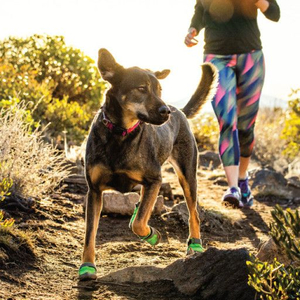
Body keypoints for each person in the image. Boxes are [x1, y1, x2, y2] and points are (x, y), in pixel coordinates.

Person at [185, 0, 280, 208]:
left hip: (251, 58)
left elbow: (274, 13)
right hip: (216, 58)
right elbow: (200, 10)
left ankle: (243, 178)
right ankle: (233, 187)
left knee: (246, 129)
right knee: (227, 122)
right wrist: (193, 29)